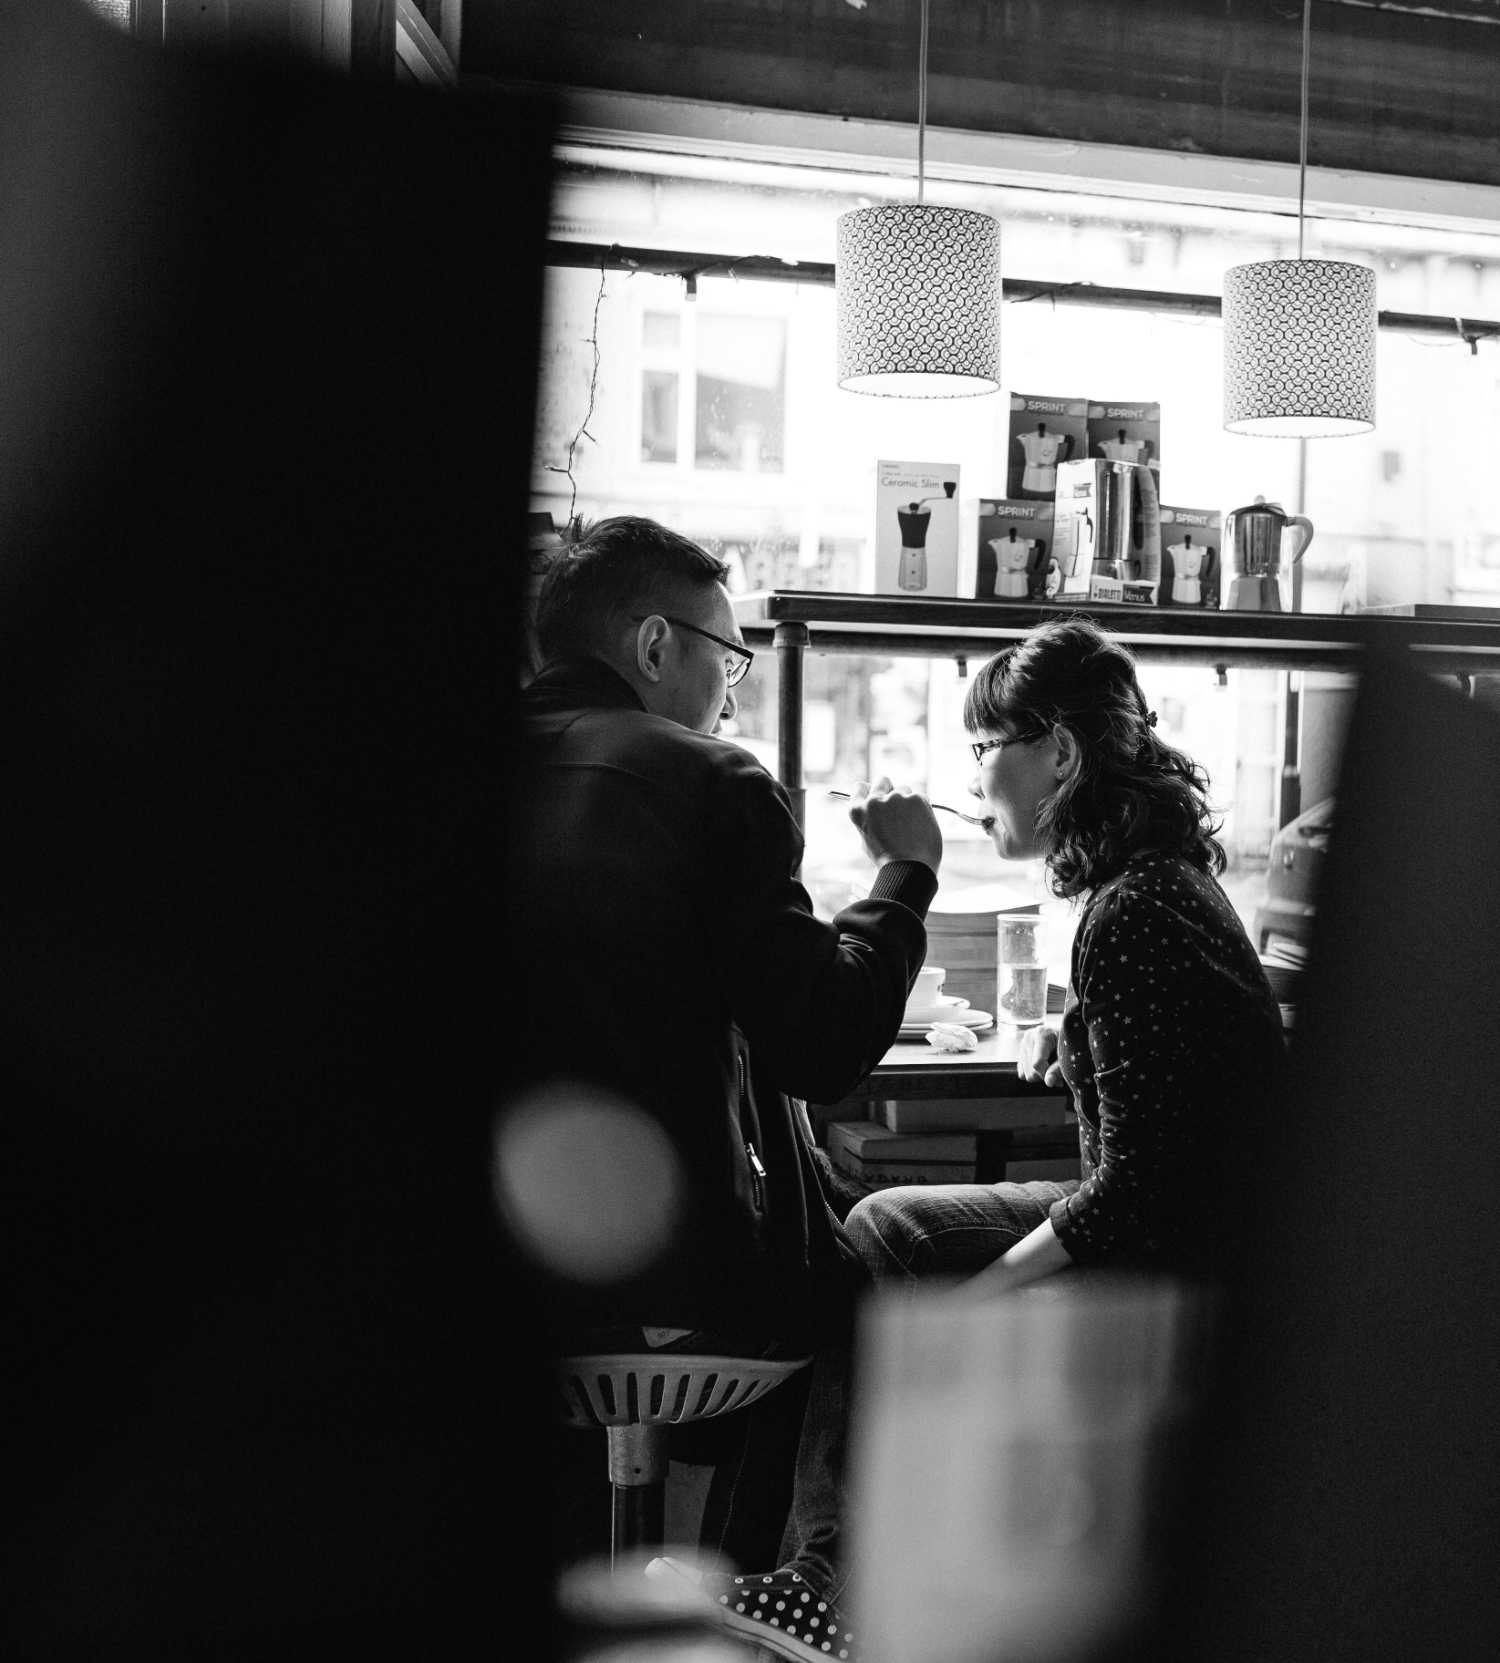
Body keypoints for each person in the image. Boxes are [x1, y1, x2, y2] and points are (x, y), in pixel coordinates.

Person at [655, 615, 1285, 1663]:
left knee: (883, 1239)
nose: (973, 771)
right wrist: (1076, 1045)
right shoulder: (1153, 888)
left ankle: (824, 1580)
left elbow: (1140, 1194)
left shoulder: (1134, 911)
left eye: (988, 746)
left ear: (1062, 756)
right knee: (884, 1227)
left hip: (1196, 1263)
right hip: (1205, 1233)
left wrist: (981, 1295)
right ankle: (814, 1577)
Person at [500, 514, 943, 1566]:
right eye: (727, 656)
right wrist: (905, 878)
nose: (731, 692)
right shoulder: (708, 780)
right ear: (656, 646)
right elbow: (822, 1045)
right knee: (857, 1280)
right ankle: (760, 1595)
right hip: (660, 1279)